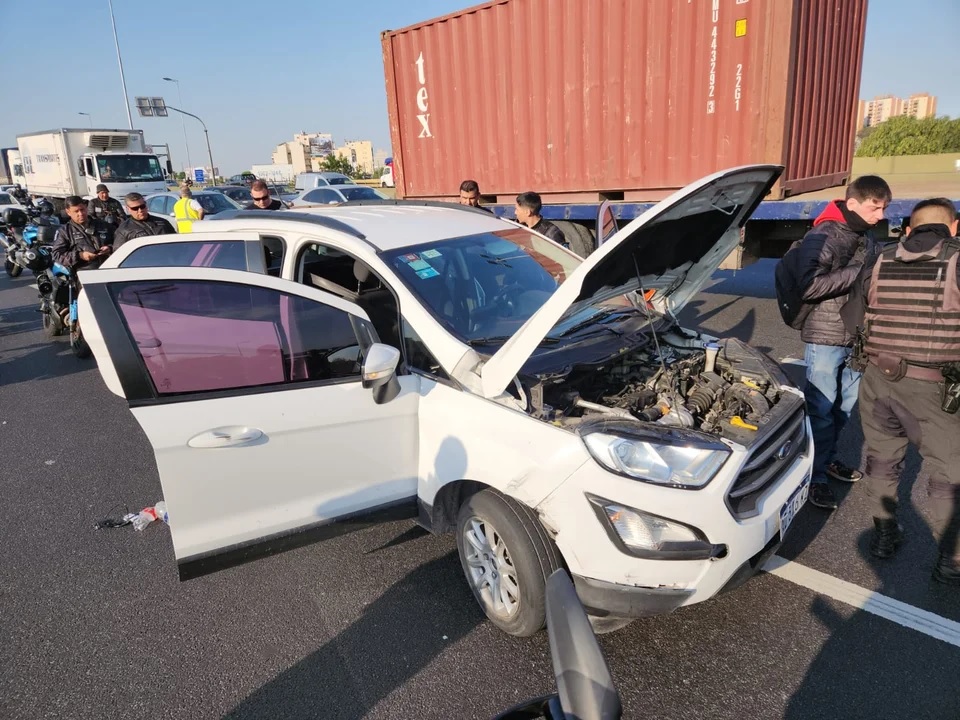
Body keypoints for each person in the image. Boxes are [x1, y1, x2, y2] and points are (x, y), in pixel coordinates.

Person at [850, 198, 960, 585]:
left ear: (909, 229)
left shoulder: (879, 258)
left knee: (881, 460)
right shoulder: (957, 259)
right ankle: (952, 560)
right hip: (936, 389)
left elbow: (853, 316)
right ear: (954, 226)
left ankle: (884, 537)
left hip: (878, 381)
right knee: (948, 473)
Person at [789, 175, 891, 510]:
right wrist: (862, 270)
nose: (880, 215)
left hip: (857, 337)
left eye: (883, 208)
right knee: (820, 409)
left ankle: (828, 460)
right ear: (853, 203)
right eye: (875, 207)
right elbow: (809, 287)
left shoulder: (865, 233)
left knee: (843, 408)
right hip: (827, 334)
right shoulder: (825, 234)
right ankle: (813, 477)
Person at [50, 195, 114, 270]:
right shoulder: (65, 231)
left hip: (109, 269)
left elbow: (119, 242)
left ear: (86, 207)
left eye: (82, 209)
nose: (81, 214)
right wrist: (80, 255)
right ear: (68, 212)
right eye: (76, 211)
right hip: (84, 273)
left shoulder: (103, 225)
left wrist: (109, 248)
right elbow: (57, 255)